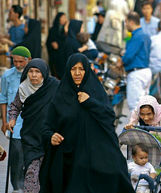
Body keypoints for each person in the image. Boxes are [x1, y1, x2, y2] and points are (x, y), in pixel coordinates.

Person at [40, 53, 134, 193]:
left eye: (81, 69)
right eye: (73, 69)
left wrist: (90, 102)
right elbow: (46, 126)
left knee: (114, 174)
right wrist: (51, 136)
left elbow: (109, 117)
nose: (77, 73)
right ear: (68, 71)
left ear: (87, 70)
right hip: (68, 157)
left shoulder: (96, 91)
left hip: (96, 153)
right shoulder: (60, 96)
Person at [7, 58, 59, 193]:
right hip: (31, 136)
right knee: (31, 170)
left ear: (44, 73)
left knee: (48, 173)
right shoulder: (23, 88)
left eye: (37, 71)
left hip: (50, 136)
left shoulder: (54, 86)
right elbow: (15, 106)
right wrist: (12, 119)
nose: (34, 75)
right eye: (31, 71)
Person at [0, 46, 31, 192]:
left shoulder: (34, 74)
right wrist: (4, 122)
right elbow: (3, 98)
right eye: (15, 62)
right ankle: (17, 187)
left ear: (28, 60)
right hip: (15, 124)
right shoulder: (7, 76)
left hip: (32, 123)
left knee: (30, 157)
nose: (18, 65)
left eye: (21, 62)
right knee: (16, 155)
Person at [122, 12, 152, 112]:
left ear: (131, 22)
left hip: (136, 74)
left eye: (126, 22)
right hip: (146, 71)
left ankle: (137, 128)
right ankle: (144, 127)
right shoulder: (145, 35)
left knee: (135, 107)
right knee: (144, 106)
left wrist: (121, 62)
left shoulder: (136, 36)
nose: (125, 25)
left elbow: (128, 56)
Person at [45, 12, 68, 78]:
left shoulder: (66, 30)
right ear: (58, 19)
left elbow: (66, 43)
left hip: (64, 57)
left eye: (65, 18)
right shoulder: (53, 29)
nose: (65, 19)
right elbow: (49, 42)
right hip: (54, 57)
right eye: (63, 17)